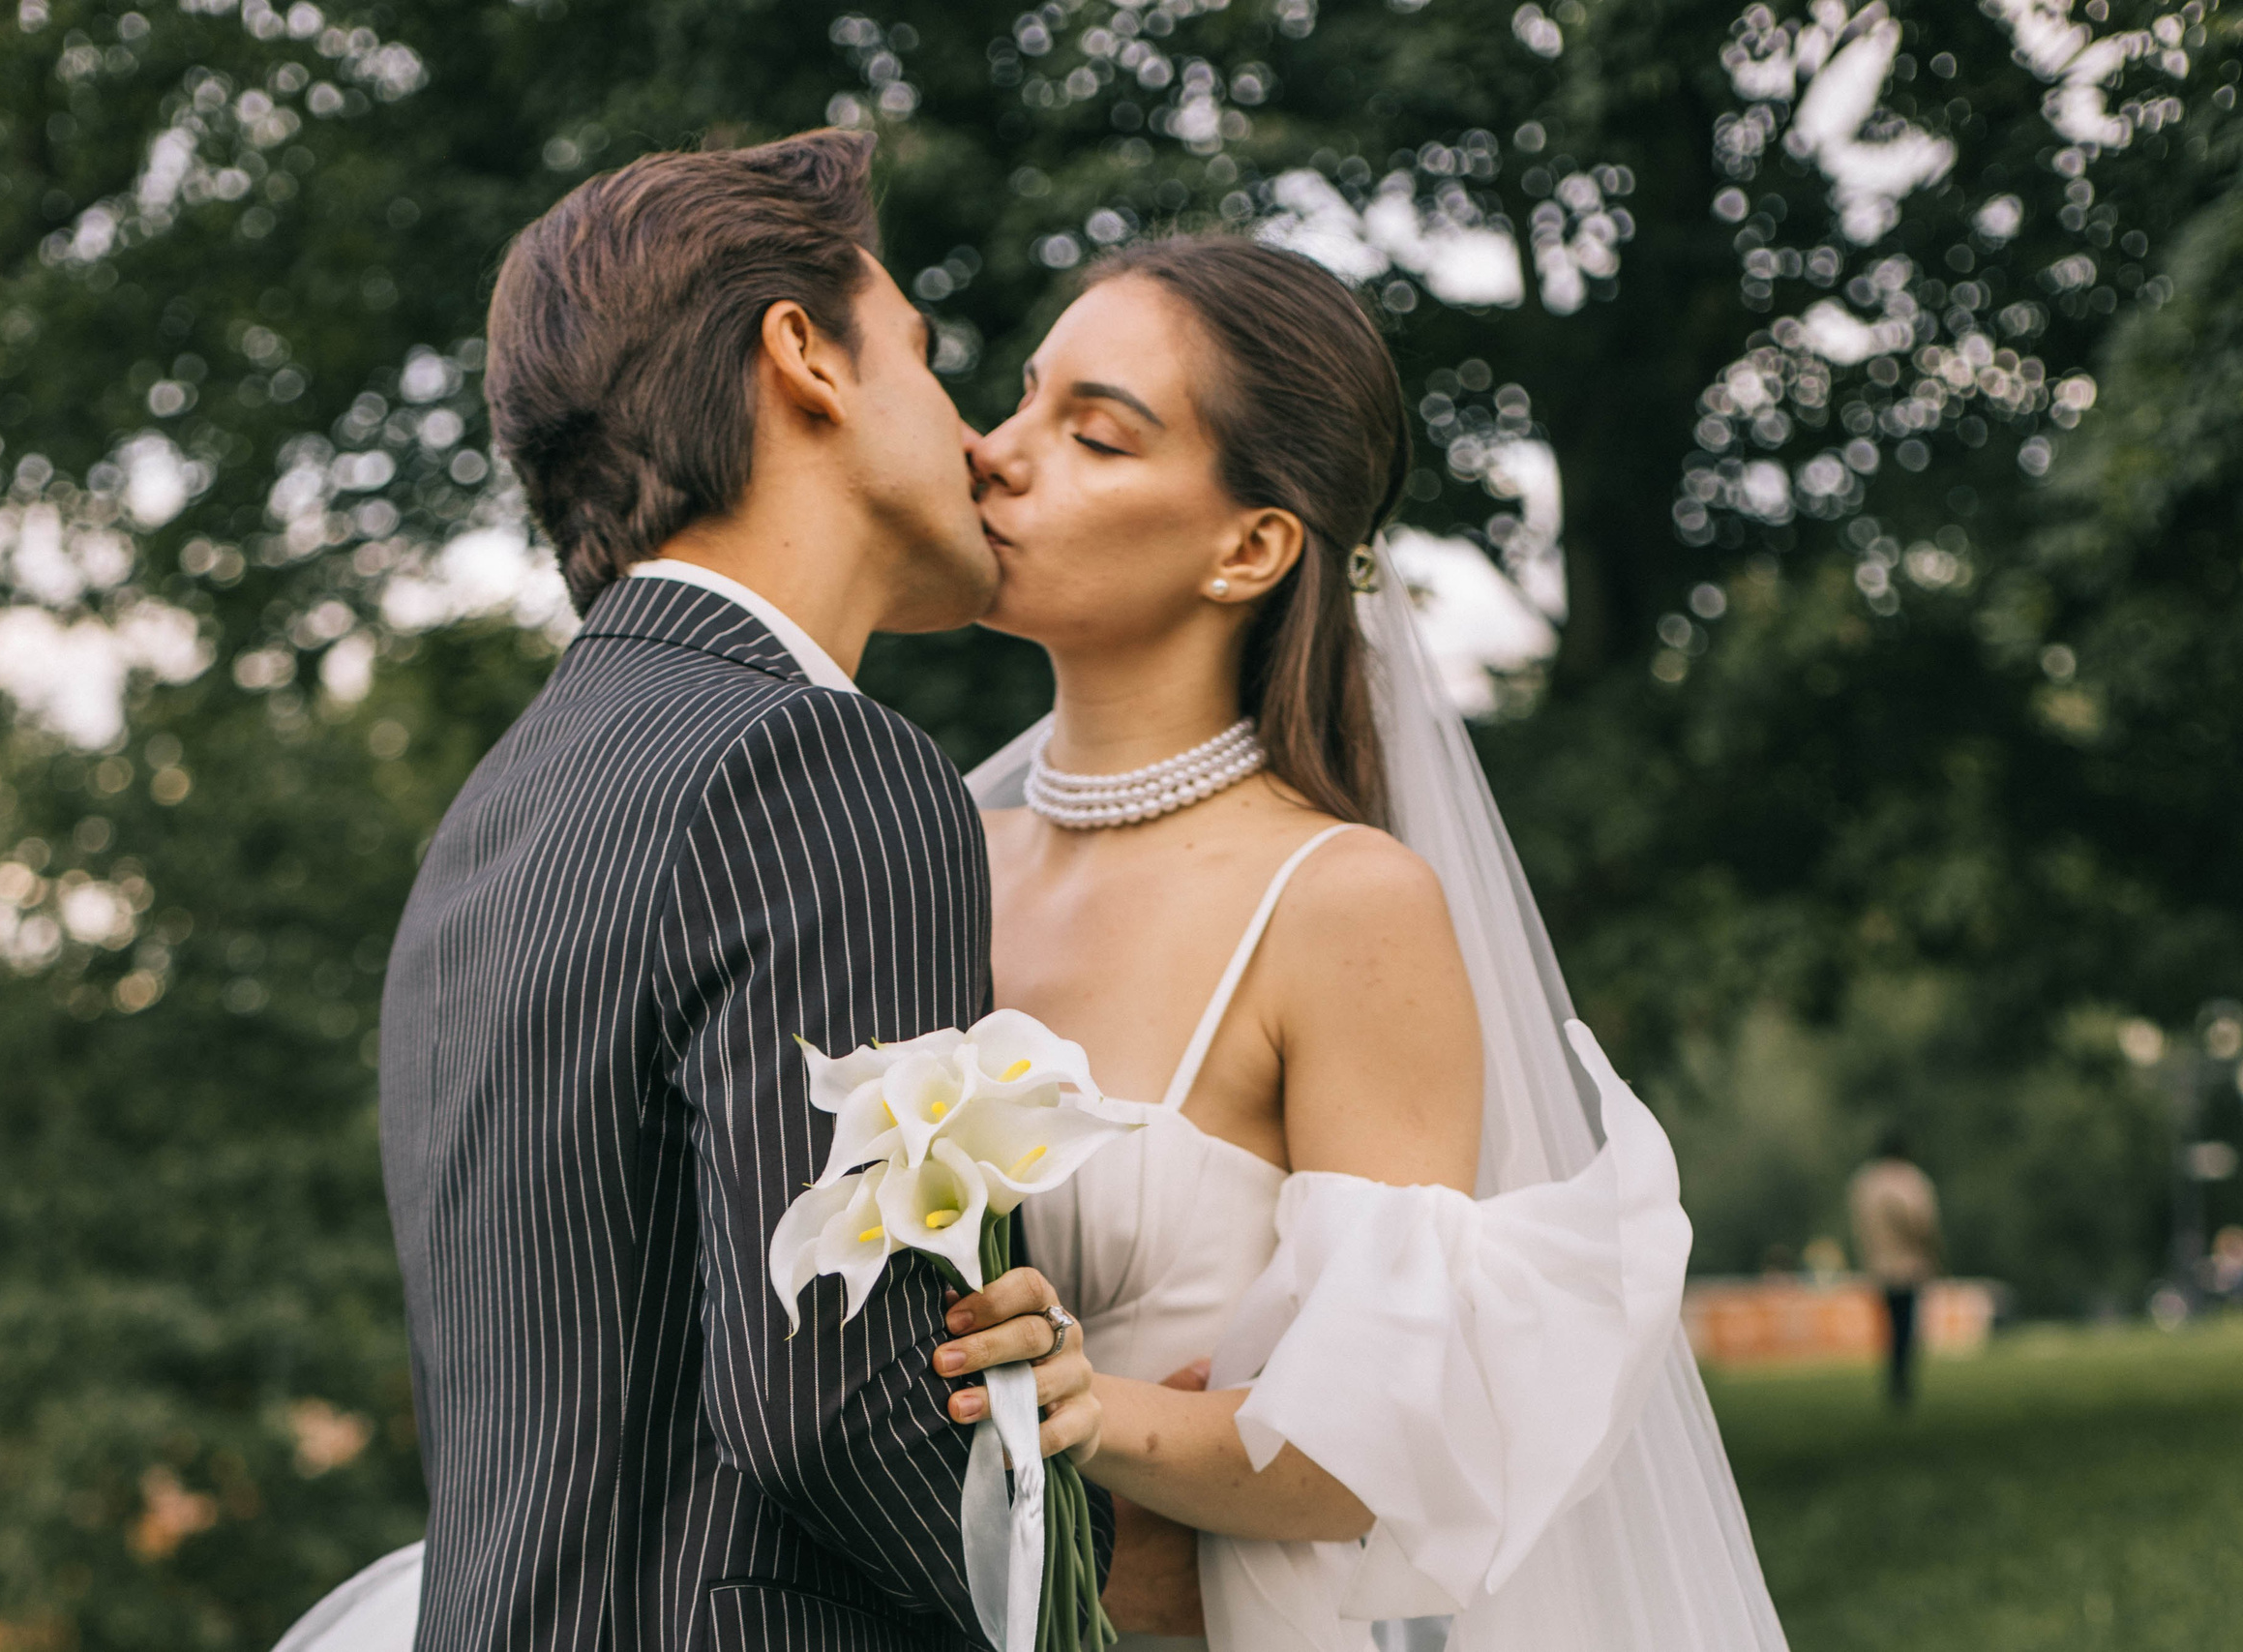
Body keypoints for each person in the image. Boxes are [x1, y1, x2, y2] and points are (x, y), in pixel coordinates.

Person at [279, 130, 1112, 1652]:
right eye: (925, 356)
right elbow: (840, 1398)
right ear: (805, 357)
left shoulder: (497, 808)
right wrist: (1079, 1577)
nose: (977, 439)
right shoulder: (819, 758)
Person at [940, 235, 1790, 1650]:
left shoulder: (1340, 901)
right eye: (1022, 398)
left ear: (1250, 548)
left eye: (1094, 434)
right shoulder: (933, 859)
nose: (995, 452)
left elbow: (1366, 1448)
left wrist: (1092, 1409)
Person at [1849, 1128, 1943, 1408]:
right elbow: (1924, 1224)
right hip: (1910, 1264)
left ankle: (1895, 1376)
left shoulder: (1865, 1183)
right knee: (1907, 1325)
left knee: (1890, 1325)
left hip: (1879, 1265)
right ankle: (1902, 1379)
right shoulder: (1912, 1180)